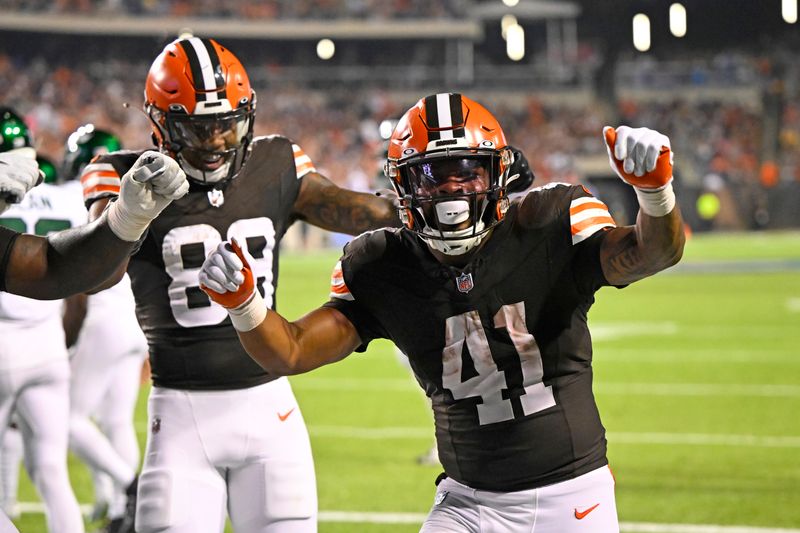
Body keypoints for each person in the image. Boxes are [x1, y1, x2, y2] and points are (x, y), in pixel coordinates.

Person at [199, 93, 685, 533]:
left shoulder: (551, 223)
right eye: (433, 176)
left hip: (571, 499)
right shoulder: (381, 264)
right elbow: (292, 351)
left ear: (498, 174)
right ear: (402, 186)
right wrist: (245, 305)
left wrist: (655, 194)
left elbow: (653, 252)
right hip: (466, 503)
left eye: (467, 172)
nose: (453, 191)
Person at [80, 36, 398, 533]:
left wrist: (437, 200)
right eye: (198, 128)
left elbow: (356, 209)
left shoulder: (275, 162)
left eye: (227, 125)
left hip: (269, 411)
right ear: (160, 123)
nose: (217, 142)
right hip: (181, 414)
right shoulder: (121, 175)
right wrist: (128, 212)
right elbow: (94, 270)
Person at [0, 107, 90, 533]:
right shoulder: (66, 197)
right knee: (52, 474)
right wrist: (67, 345)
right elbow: (79, 286)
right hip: (49, 344)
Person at [60, 125, 145, 531]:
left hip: (103, 318)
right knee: (115, 421)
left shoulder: (86, 203)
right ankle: (122, 513)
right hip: (135, 322)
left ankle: (130, 487)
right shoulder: (133, 204)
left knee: (69, 420)